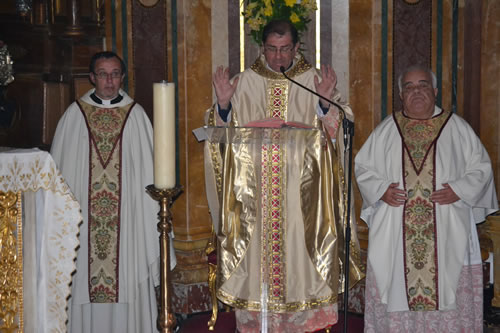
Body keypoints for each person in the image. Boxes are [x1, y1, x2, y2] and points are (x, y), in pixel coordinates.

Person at [204, 20, 363, 332]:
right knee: (255, 266)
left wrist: (322, 103)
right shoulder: (245, 81)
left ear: (296, 48)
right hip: (255, 199)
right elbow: (220, 138)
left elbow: (342, 129)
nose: (278, 57)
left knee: (301, 264)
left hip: (302, 199)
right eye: (272, 50)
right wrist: (223, 105)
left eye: (285, 49)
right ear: (262, 48)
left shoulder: (314, 80)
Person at [355, 65, 498, 332]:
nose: (416, 92)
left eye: (422, 85)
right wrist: (381, 190)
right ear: (401, 95)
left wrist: (459, 189)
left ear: (434, 91)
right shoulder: (387, 129)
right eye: (409, 87)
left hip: (448, 229)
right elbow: (363, 168)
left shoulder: (456, 127)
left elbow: (481, 168)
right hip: (396, 233)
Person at [51, 51, 176, 333]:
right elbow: (59, 177)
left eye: (115, 74)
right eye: (103, 74)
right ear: (92, 78)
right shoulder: (74, 116)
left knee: (128, 272)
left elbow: (150, 172)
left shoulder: (136, 115)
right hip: (84, 224)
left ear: (122, 77)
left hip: (127, 225)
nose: (110, 80)